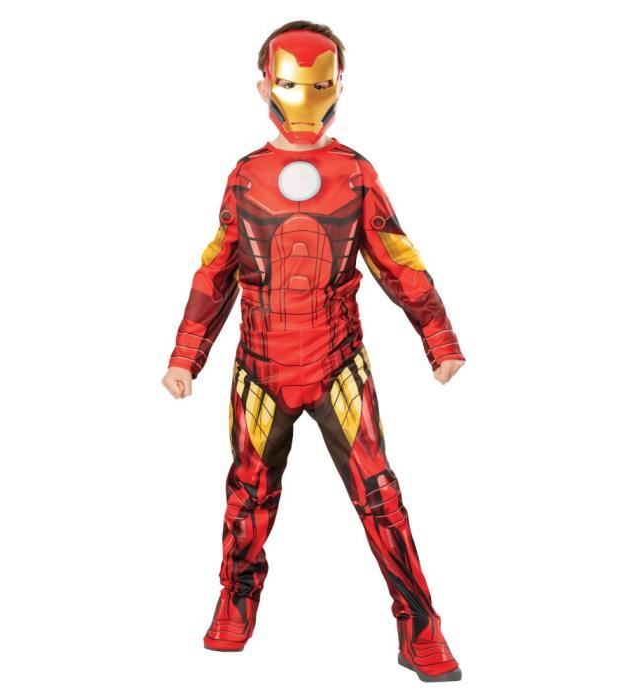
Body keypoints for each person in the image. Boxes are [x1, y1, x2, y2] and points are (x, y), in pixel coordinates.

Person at [162, 20, 465, 682]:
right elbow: (218, 267)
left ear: (338, 87)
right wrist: (186, 354)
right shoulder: (245, 178)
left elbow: (397, 258)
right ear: (264, 87)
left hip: (337, 365)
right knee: (247, 495)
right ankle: (236, 603)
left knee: (380, 496)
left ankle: (420, 625)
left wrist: (437, 336)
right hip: (260, 367)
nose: (305, 98)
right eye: (292, 83)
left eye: (320, 85)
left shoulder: (354, 174)